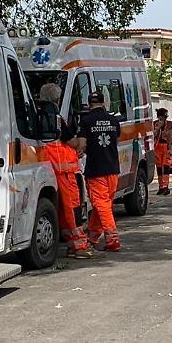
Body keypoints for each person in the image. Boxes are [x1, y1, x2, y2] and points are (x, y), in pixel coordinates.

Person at [37, 83, 90, 259]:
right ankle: (79, 245)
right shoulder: (55, 117)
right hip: (64, 169)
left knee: (63, 209)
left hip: (52, 166)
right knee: (73, 208)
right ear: (57, 99)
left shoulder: (40, 114)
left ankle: (69, 237)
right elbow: (70, 141)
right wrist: (81, 143)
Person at [75, 91, 122, 251]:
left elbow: (81, 145)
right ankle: (93, 237)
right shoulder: (113, 120)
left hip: (96, 170)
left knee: (101, 204)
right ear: (103, 103)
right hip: (113, 169)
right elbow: (117, 138)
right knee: (103, 205)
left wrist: (80, 150)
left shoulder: (86, 121)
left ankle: (113, 239)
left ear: (89, 104)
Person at [153, 107, 172, 196]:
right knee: (159, 167)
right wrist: (158, 128)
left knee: (166, 167)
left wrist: (170, 148)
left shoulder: (170, 124)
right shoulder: (155, 124)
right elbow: (153, 135)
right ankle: (161, 186)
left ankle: (166, 186)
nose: (162, 119)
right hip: (157, 146)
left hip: (167, 146)